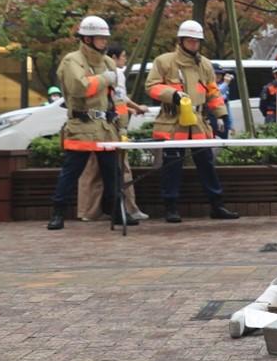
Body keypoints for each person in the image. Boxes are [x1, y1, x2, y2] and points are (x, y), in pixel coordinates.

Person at [146, 19, 239, 223]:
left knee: (207, 164)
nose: (194, 44)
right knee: (172, 166)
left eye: (197, 41)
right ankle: (170, 207)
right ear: (180, 40)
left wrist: (221, 113)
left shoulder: (205, 64)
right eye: (190, 40)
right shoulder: (164, 61)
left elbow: (213, 92)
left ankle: (217, 205)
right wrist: (173, 94)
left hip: (198, 122)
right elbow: (151, 86)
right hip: (173, 122)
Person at [46, 16, 134, 230]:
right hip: (82, 125)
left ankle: (115, 211)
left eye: (105, 38)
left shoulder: (107, 62)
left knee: (112, 172)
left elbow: (116, 97)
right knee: (72, 171)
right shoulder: (72, 60)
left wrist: (122, 124)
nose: (104, 42)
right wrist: (105, 79)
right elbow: (80, 88)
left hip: (105, 126)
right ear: (87, 39)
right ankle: (57, 213)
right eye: (100, 38)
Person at [77, 41, 147, 222]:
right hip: (112, 127)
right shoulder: (114, 74)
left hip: (97, 126)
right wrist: (128, 116)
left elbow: (117, 99)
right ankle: (128, 209)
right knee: (121, 169)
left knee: (93, 170)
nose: (125, 59)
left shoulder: (94, 71)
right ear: (113, 57)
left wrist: (133, 108)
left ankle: (88, 212)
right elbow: (119, 99)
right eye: (123, 56)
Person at [212, 69, 234, 138]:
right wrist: (225, 84)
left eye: (220, 74)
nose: (218, 76)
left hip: (224, 119)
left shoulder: (224, 87)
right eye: (216, 74)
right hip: (211, 118)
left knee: (223, 143)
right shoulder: (206, 85)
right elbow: (215, 94)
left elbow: (226, 105)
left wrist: (231, 124)